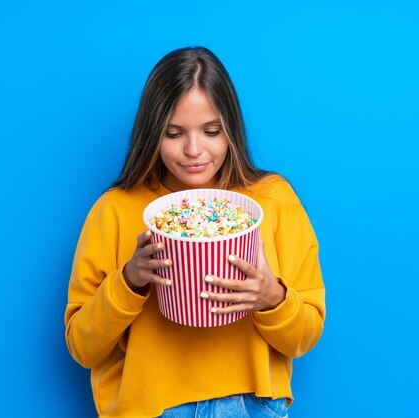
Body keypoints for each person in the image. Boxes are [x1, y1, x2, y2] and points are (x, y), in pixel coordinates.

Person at [64, 46, 326, 418]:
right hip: (152, 408)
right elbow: (82, 347)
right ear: (152, 133)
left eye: (211, 131)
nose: (193, 150)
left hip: (252, 404)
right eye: (173, 133)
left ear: (230, 129)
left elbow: (306, 335)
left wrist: (270, 295)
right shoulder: (116, 210)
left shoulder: (273, 201)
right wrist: (130, 281)